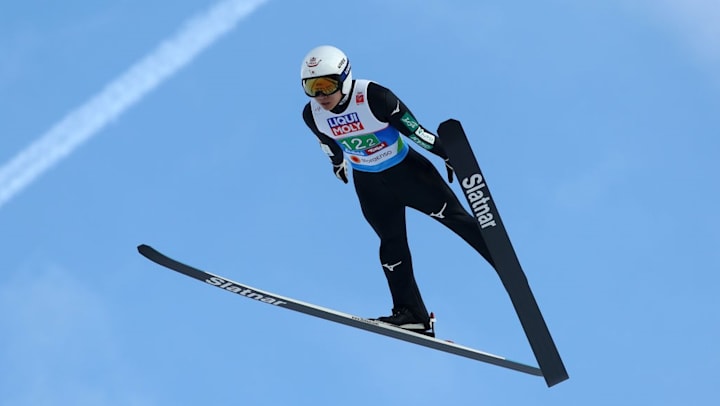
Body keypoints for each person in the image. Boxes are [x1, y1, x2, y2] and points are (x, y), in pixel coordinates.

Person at [300, 45, 495, 336]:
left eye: (327, 85)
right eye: (311, 87)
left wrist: (445, 152)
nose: (321, 95)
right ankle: (412, 314)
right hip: (369, 185)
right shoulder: (312, 114)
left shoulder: (375, 97)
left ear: (345, 77)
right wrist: (337, 163)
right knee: (390, 246)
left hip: (408, 174)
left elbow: (415, 130)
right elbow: (327, 142)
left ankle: (500, 259)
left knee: (455, 219)